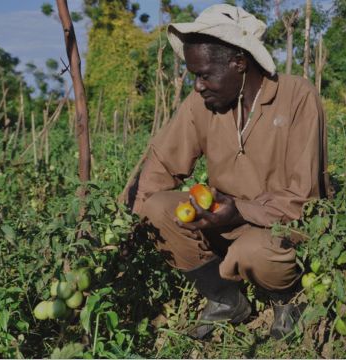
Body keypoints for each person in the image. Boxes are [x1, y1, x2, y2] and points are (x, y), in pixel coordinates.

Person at [123, 4, 328, 339]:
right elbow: (161, 164)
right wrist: (129, 223)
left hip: (280, 227)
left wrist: (240, 212)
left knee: (255, 251)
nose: (199, 86)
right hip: (221, 218)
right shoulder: (200, 103)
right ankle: (224, 298)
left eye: (205, 75)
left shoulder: (296, 97)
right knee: (157, 207)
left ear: (239, 63)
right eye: (194, 76)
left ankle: (286, 300)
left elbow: (303, 199)